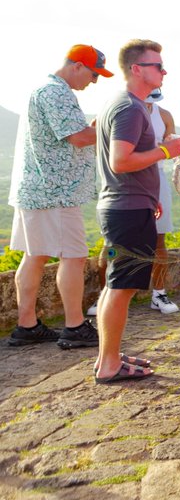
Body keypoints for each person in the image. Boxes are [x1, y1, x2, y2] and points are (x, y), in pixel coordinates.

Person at [93, 40, 180, 382]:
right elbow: (121, 161)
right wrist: (166, 150)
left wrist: (150, 195)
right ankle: (108, 365)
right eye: (157, 66)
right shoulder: (131, 108)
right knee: (121, 289)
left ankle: (110, 356)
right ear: (137, 69)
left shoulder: (120, 104)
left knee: (115, 286)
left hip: (128, 206)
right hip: (128, 212)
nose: (164, 71)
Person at [6, 45, 110, 349]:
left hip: (35, 190)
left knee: (34, 256)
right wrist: (109, 125)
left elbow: (69, 135)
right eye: (93, 74)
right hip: (57, 192)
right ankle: (75, 326)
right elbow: (77, 138)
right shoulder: (57, 93)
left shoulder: (44, 90)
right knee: (74, 257)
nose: (94, 81)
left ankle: (27, 326)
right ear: (77, 66)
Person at [145, 88, 180, 314]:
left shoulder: (164, 115)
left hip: (156, 178)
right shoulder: (119, 108)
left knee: (159, 239)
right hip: (125, 178)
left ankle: (159, 293)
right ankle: (104, 295)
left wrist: (170, 145)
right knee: (114, 242)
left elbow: (172, 149)